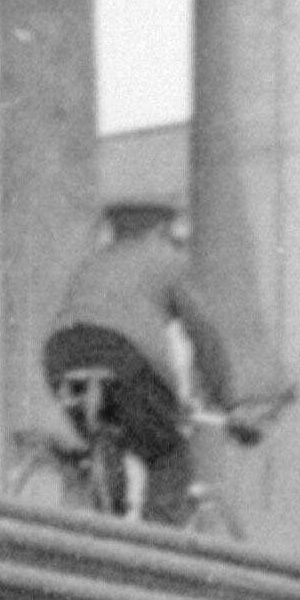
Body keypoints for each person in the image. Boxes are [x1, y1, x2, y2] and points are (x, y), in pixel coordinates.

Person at [41, 204, 250, 526]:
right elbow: (204, 335)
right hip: (122, 355)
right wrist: (229, 404)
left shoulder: (94, 263)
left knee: (106, 439)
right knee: (170, 456)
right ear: (158, 230)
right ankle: (154, 547)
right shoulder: (167, 260)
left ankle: (99, 516)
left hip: (61, 354)